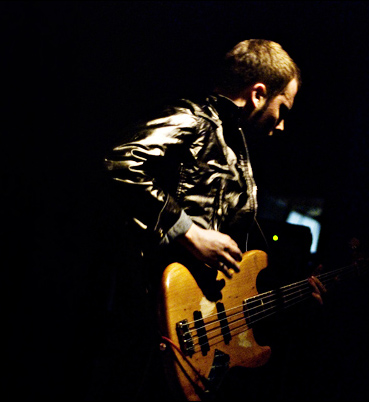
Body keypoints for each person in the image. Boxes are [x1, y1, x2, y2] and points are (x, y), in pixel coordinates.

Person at [97, 39, 326, 400]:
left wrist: (293, 297)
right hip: (150, 319)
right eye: (282, 109)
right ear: (258, 94)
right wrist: (187, 232)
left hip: (196, 326)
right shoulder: (194, 119)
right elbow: (122, 162)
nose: (282, 126)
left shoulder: (235, 147)